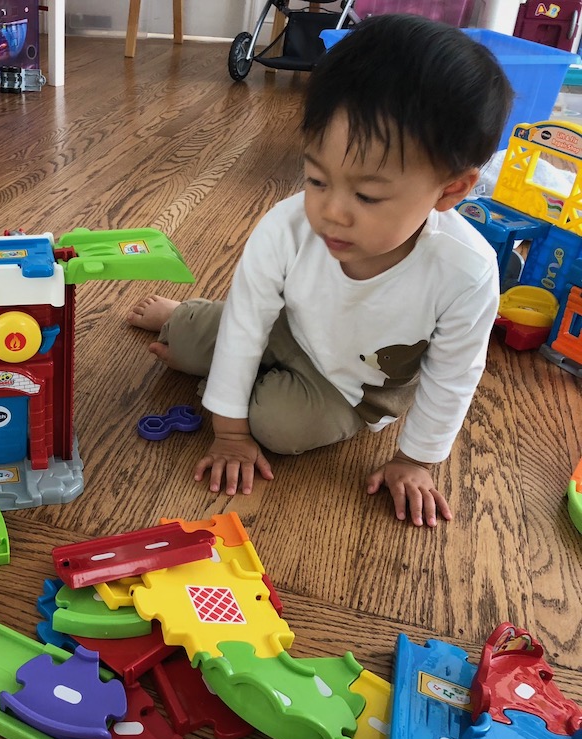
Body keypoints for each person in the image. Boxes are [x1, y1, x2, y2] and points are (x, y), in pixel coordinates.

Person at [127, 15, 513, 527]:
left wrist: (415, 460)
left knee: (278, 428)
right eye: (316, 178)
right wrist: (227, 431)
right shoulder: (285, 227)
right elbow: (247, 324)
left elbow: (453, 375)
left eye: (368, 195)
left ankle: (227, 368)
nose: (331, 211)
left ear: (450, 190)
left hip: (350, 386)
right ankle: (189, 319)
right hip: (287, 326)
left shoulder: (468, 271)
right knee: (195, 337)